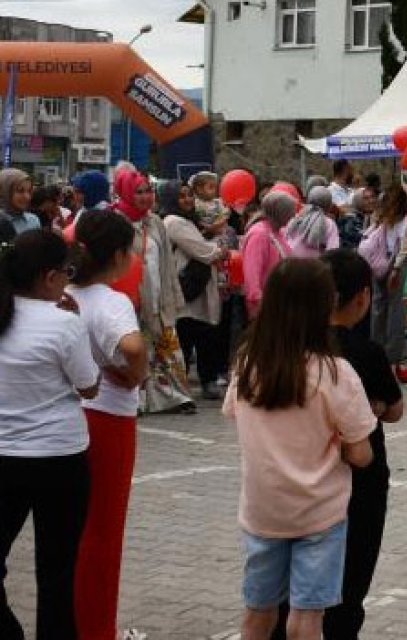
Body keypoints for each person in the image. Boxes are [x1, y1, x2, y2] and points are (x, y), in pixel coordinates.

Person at [225, 258, 376, 640]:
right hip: (318, 514)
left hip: (263, 511)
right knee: (306, 620)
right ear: (325, 306)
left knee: (257, 614)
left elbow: (234, 415)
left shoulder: (247, 363)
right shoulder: (335, 372)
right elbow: (361, 454)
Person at [268, 250, 406, 640]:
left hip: (287, 485)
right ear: (363, 297)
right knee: (347, 590)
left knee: (285, 592)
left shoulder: (274, 353)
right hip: (355, 489)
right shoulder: (361, 356)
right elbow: (392, 412)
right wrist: (371, 409)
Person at [0, 230, 100, 640]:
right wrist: (72, 320)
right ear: (48, 277)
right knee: (57, 570)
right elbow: (89, 385)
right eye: (66, 272)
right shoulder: (63, 325)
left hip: (5, 456)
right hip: (60, 457)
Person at [62, 211, 150, 639]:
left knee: (72, 531)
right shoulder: (111, 301)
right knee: (103, 534)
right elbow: (132, 346)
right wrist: (136, 373)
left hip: (68, 416)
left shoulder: (61, 292)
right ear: (117, 255)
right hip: (110, 423)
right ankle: (98, 630)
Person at [114, 169, 197, 416]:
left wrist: (173, 294)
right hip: (131, 295)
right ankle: (135, 399)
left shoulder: (156, 222)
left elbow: (167, 264)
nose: (145, 197)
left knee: (166, 346)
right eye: (138, 192)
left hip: (158, 293)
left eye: (148, 191)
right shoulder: (117, 223)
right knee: (136, 347)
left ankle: (174, 396)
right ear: (125, 192)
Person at [161, 180, 228, 401]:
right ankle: (180, 388)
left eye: (189, 195)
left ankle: (199, 382)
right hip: (186, 291)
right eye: (181, 196)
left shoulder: (189, 221)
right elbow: (203, 251)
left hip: (196, 289)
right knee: (187, 337)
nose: (188, 200)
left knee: (202, 336)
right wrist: (219, 249)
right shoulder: (174, 222)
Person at [368, 183, 407, 365]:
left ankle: (391, 351)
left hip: (394, 262)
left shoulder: (404, 220)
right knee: (382, 305)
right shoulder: (384, 219)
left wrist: (396, 268)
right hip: (384, 261)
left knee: (392, 306)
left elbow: (404, 247)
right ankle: (378, 346)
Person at [243, 192, 295, 320]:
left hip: (280, 303)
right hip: (266, 306)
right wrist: (258, 302)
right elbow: (252, 274)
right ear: (279, 212)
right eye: (290, 211)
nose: (293, 215)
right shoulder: (259, 234)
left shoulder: (279, 232)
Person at [286, 186, 341, 259]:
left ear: (308, 201)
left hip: (290, 262)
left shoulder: (295, 219)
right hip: (315, 266)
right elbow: (332, 251)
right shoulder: (330, 224)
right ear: (329, 205)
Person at [0, 168, 42, 237]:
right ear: (5, 192)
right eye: (20, 191)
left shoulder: (33, 220)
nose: (27, 197)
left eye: (29, 191)